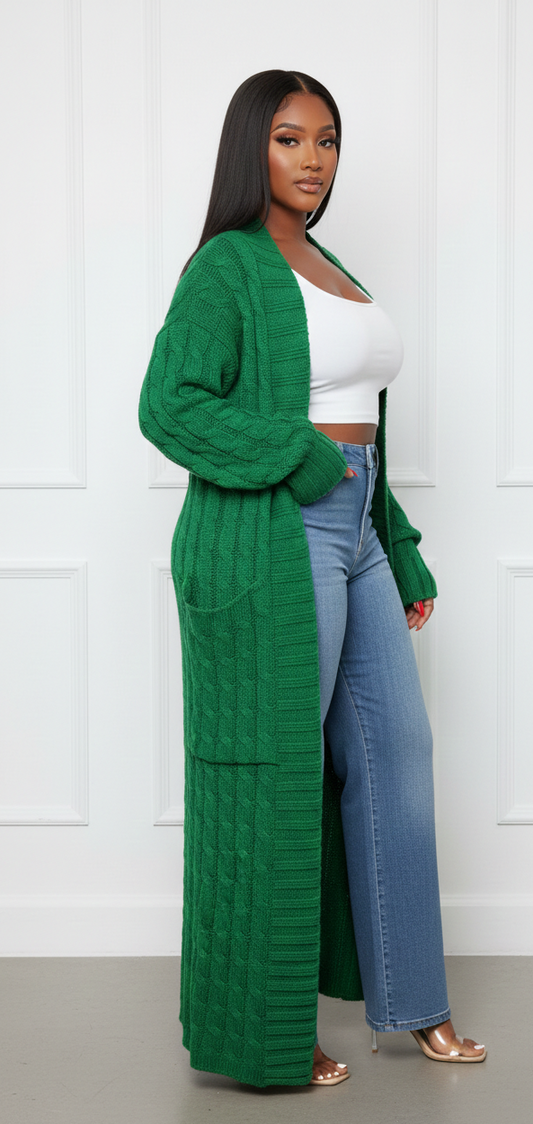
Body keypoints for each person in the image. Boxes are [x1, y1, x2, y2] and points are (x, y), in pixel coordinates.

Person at [138, 69, 486, 1088]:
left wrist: (397, 543)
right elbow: (170, 404)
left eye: (326, 140)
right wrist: (294, 454)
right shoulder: (227, 266)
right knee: (276, 769)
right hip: (272, 532)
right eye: (289, 138)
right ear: (251, 146)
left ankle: (415, 1003)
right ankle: (269, 1027)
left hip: (356, 526)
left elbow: (366, 423)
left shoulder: (331, 265)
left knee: (397, 753)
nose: (312, 159)